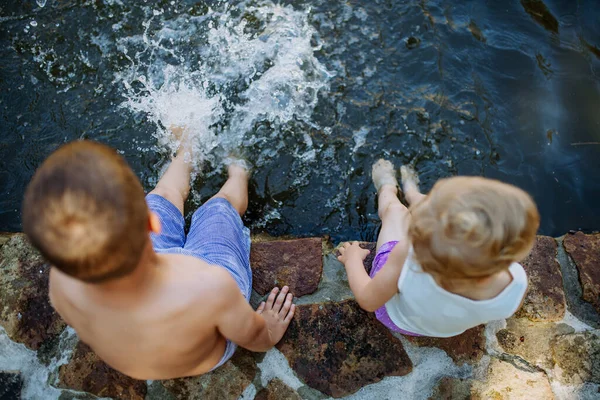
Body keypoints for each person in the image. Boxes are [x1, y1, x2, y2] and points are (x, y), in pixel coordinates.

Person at [22, 127, 295, 379]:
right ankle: (238, 171)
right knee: (217, 208)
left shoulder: (63, 283)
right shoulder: (212, 287)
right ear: (150, 223)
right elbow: (255, 339)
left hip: (140, 355)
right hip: (201, 342)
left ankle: (187, 149)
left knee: (167, 196)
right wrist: (269, 330)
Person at [337, 159, 539, 337]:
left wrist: (352, 260)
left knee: (395, 211)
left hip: (398, 320)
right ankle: (412, 192)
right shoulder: (515, 284)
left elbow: (368, 300)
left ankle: (388, 188)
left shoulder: (408, 260)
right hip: (445, 331)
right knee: (443, 212)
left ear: (424, 243)